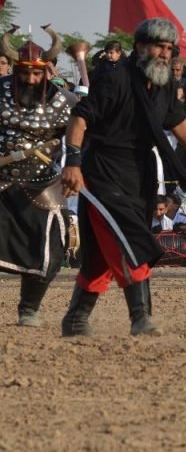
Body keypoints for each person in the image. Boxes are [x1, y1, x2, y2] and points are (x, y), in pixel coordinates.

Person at [60, 18, 186, 336]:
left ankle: (75, 318)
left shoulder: (162, 83)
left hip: (139, 173)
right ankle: (140, 317)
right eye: (158, 46)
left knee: (102, 251)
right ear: (140, 47)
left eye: (168, 48)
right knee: (129, 239)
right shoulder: (115, 77)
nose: (164, 53)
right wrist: (73, 163)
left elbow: (176, 121)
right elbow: (80, 118)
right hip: (103, 170)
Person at [0, 26, 73, 327]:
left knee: (49, 248)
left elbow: (77, 137)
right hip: (2, 179)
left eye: (36, 74)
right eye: (25, 73)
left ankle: (29, 308)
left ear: (46, 72)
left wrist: (74, 165)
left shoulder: (63, 101)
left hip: (43, 182)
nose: (31, 80)